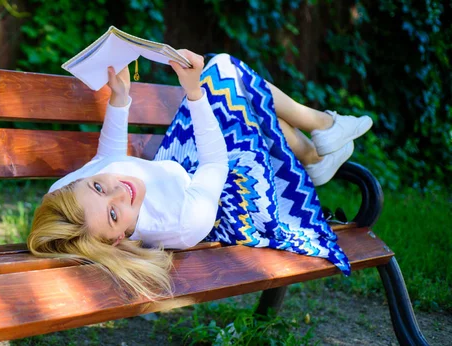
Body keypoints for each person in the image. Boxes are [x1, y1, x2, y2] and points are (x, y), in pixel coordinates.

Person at [27, 51, 373, 299]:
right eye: (115, 213)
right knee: (223, 74)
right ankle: (324, 127)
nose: (119, 189)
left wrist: (120, 99)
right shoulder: (181, 222)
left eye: (99, 186)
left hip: (180, 166)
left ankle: (316, 153)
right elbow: (215, 166)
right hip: (230, 194)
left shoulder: (69, 196)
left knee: (238, 98)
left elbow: (107, 161)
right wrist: (194, 93)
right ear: (119, 240)